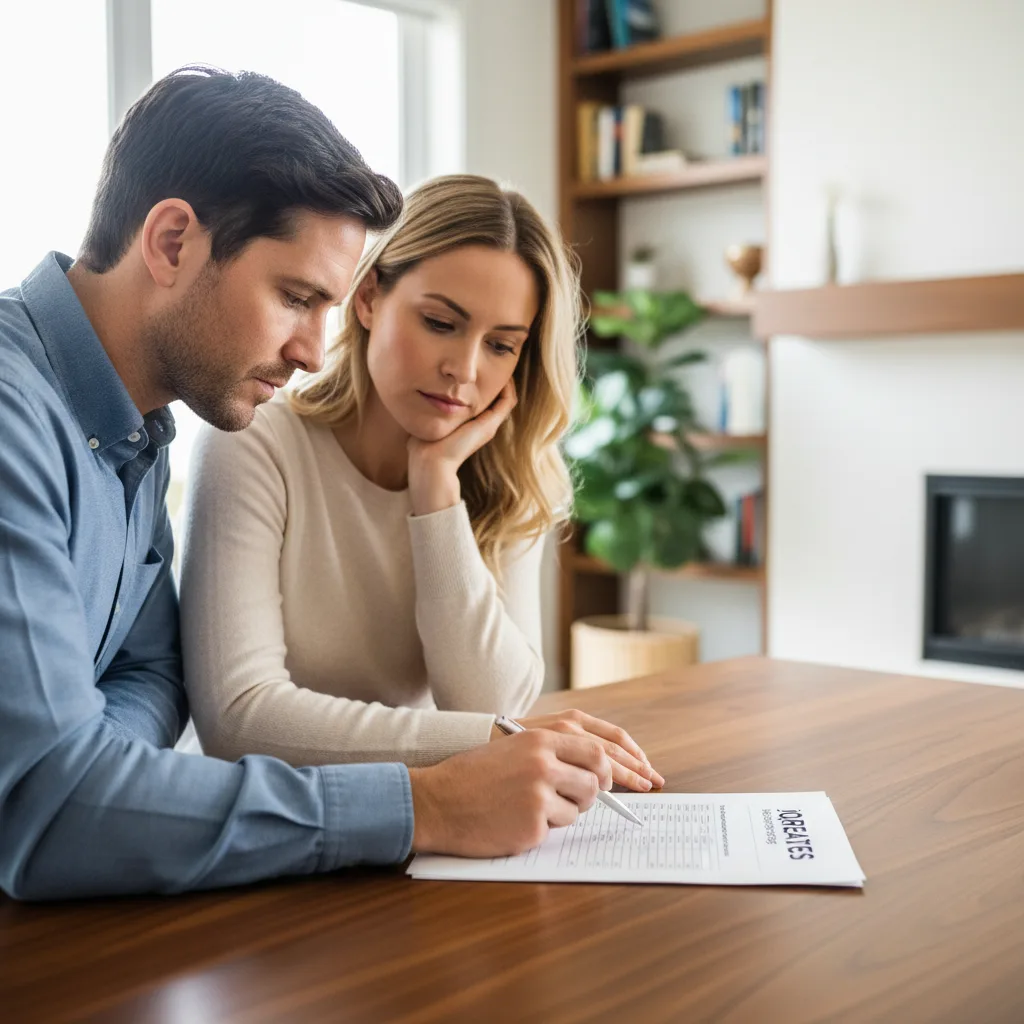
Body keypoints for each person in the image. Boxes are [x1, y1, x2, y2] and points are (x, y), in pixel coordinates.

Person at [0, 67, 623, 901]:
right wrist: (421, 803)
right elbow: (57, 801)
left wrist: (93, 773)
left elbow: (150, 680)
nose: (309, 350)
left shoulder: (136, 430)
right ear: (173, 242)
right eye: (297, 298)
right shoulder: (17, 418)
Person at [179, 175, 665, 795]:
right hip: (258, 823)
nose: (463, 370)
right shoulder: (254, 444)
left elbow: (494, 700)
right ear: (370, 298)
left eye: (500, 345)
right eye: (440, 323)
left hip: (416, 825)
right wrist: (485, 743)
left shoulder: (514, 479)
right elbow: (238, 720)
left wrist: (436, 490)